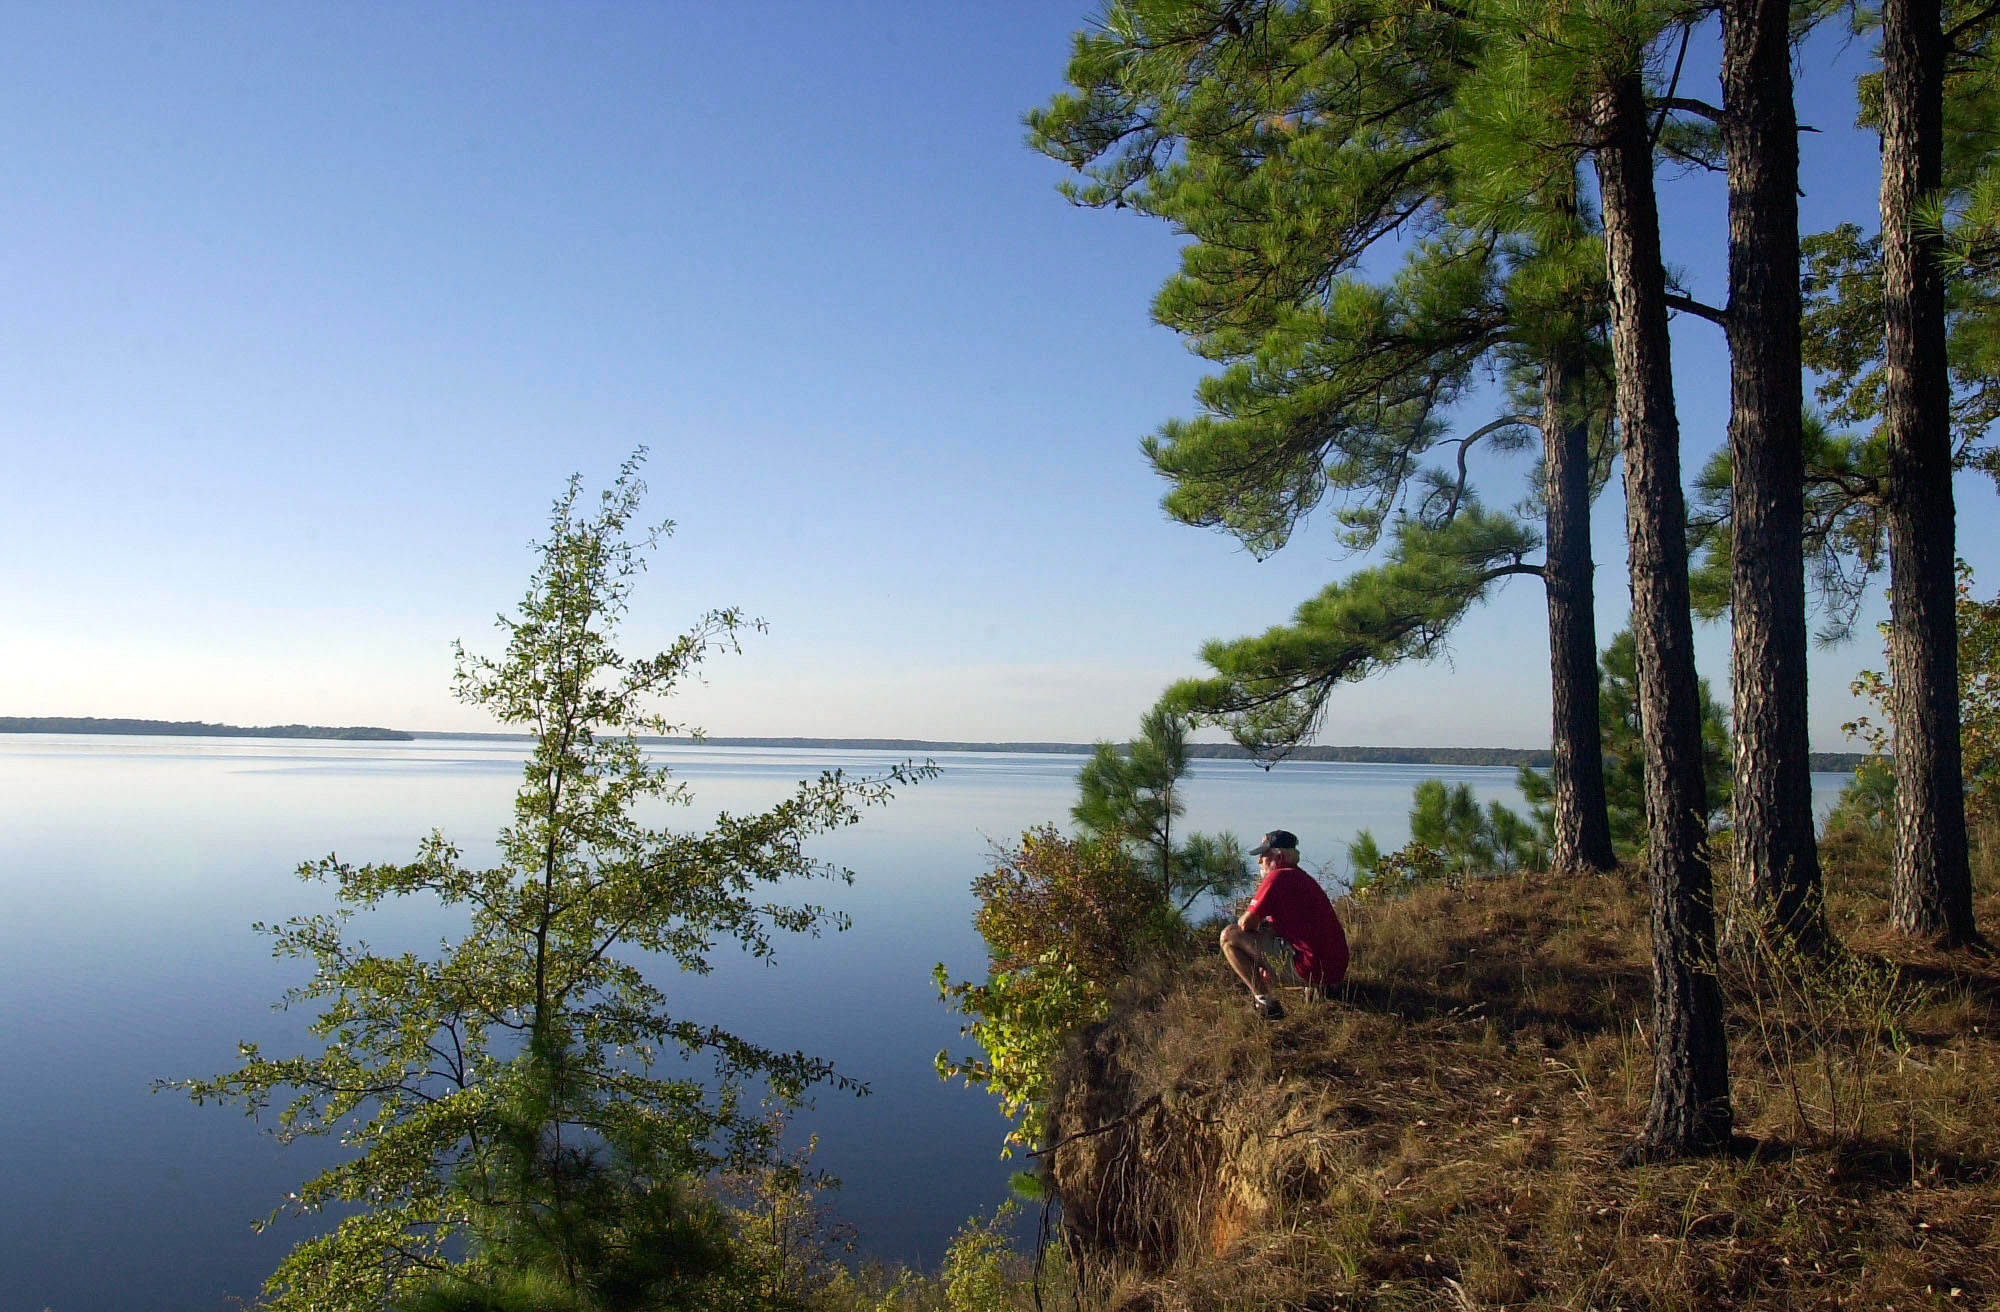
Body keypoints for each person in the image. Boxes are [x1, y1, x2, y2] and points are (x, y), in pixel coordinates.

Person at [1219, 829, 1349, 1020]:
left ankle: (1265, 1004)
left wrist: (1259, 958)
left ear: (1278, 857)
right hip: (1336, 968)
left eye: (1263, 855)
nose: (1259, 861)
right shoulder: (1302, 878)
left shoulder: (1276, 878)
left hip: (1311, 967)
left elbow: (1246, 924)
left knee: (1229, 936)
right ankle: (1324, 989)